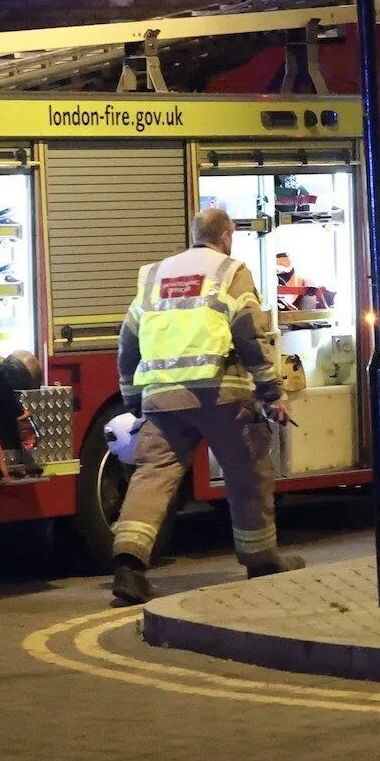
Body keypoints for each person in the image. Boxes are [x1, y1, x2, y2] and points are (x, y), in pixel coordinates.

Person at [108, 207, 305, 605]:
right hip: (220, 396)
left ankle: (129, 568)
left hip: (161, 398)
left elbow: (128, 340)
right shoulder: (231, 272)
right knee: (247, 470)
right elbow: (249, 336)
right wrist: (271, 393)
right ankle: (261, 559)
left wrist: (133, 398)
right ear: (227, 235)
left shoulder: (154, 274)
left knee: (153, 476)